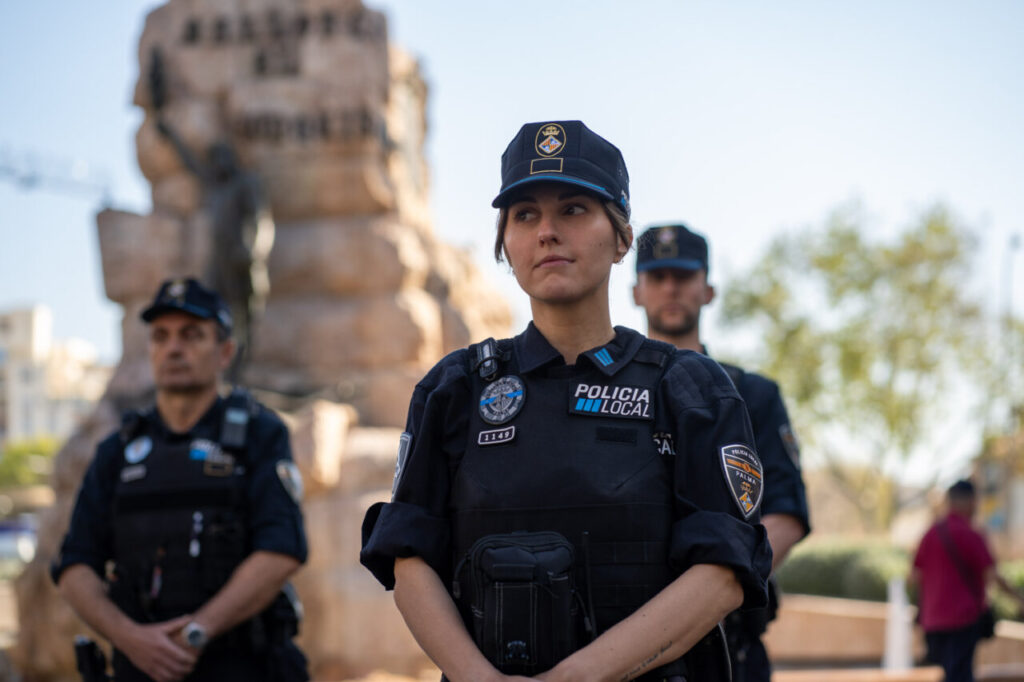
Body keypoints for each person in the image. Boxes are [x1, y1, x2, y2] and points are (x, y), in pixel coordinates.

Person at [360, 120, 771, 682]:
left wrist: (578, 677)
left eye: (573, 209)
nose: (547, 232)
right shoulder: (453, 388)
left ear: (622, 238)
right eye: (525, 215)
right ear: (505, 244)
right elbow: (408, 558)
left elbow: (724, 571)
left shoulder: (690, 389)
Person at [52, 278, 309, 682]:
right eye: (161, 336)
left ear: (225, 352)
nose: (174, 348)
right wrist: (133, 640)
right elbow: (74, 566)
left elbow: (281, 549)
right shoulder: (117, 451)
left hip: (242, 666)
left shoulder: (260, 433)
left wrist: (194, 633)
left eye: (192, 335)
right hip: (139, 666)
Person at [632, 224, 811, 682]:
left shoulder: (752, 394)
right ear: (637, 291)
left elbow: (786, 515)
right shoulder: (608, 395)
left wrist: (716, 581)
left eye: (684, 276)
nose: (671, 287)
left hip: (731, 642)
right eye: (658, 277)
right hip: (628, 636)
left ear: (708, 290)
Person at [910, 479, 1024, 682]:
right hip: (962, 620)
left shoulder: (930, 533)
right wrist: (1018, 599)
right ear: (968, 501)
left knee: (948, 673)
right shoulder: (970, 533)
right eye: (975, 500)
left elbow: (913, 576)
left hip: (933, 622)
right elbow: (992, 574)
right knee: (960, 676)